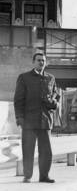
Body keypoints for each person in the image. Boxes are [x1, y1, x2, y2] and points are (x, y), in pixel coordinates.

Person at [14, 52, 59, 183]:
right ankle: (27, 176)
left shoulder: (51, 78)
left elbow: (55, 95)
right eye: (38, 60)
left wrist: (53, 103)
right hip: (29, 120)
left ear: (46, 63)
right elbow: (18, 100)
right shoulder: (24, 78)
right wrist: (19, 118)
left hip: (45, 120)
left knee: (46, 151)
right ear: (33, 62)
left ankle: (44, 176)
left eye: (43, 61)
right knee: (28, 150)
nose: (41, 63)